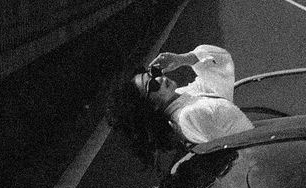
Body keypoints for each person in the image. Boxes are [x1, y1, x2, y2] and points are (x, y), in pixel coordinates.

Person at [107, 44, 253, 167]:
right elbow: (231, 152)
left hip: (257, 144)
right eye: (152, 85)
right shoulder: (187, 115)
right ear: (150, 106)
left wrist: (184, 59)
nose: (159, 79)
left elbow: (220, 67)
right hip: (254, 158)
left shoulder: (183, 95)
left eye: (153, 73)